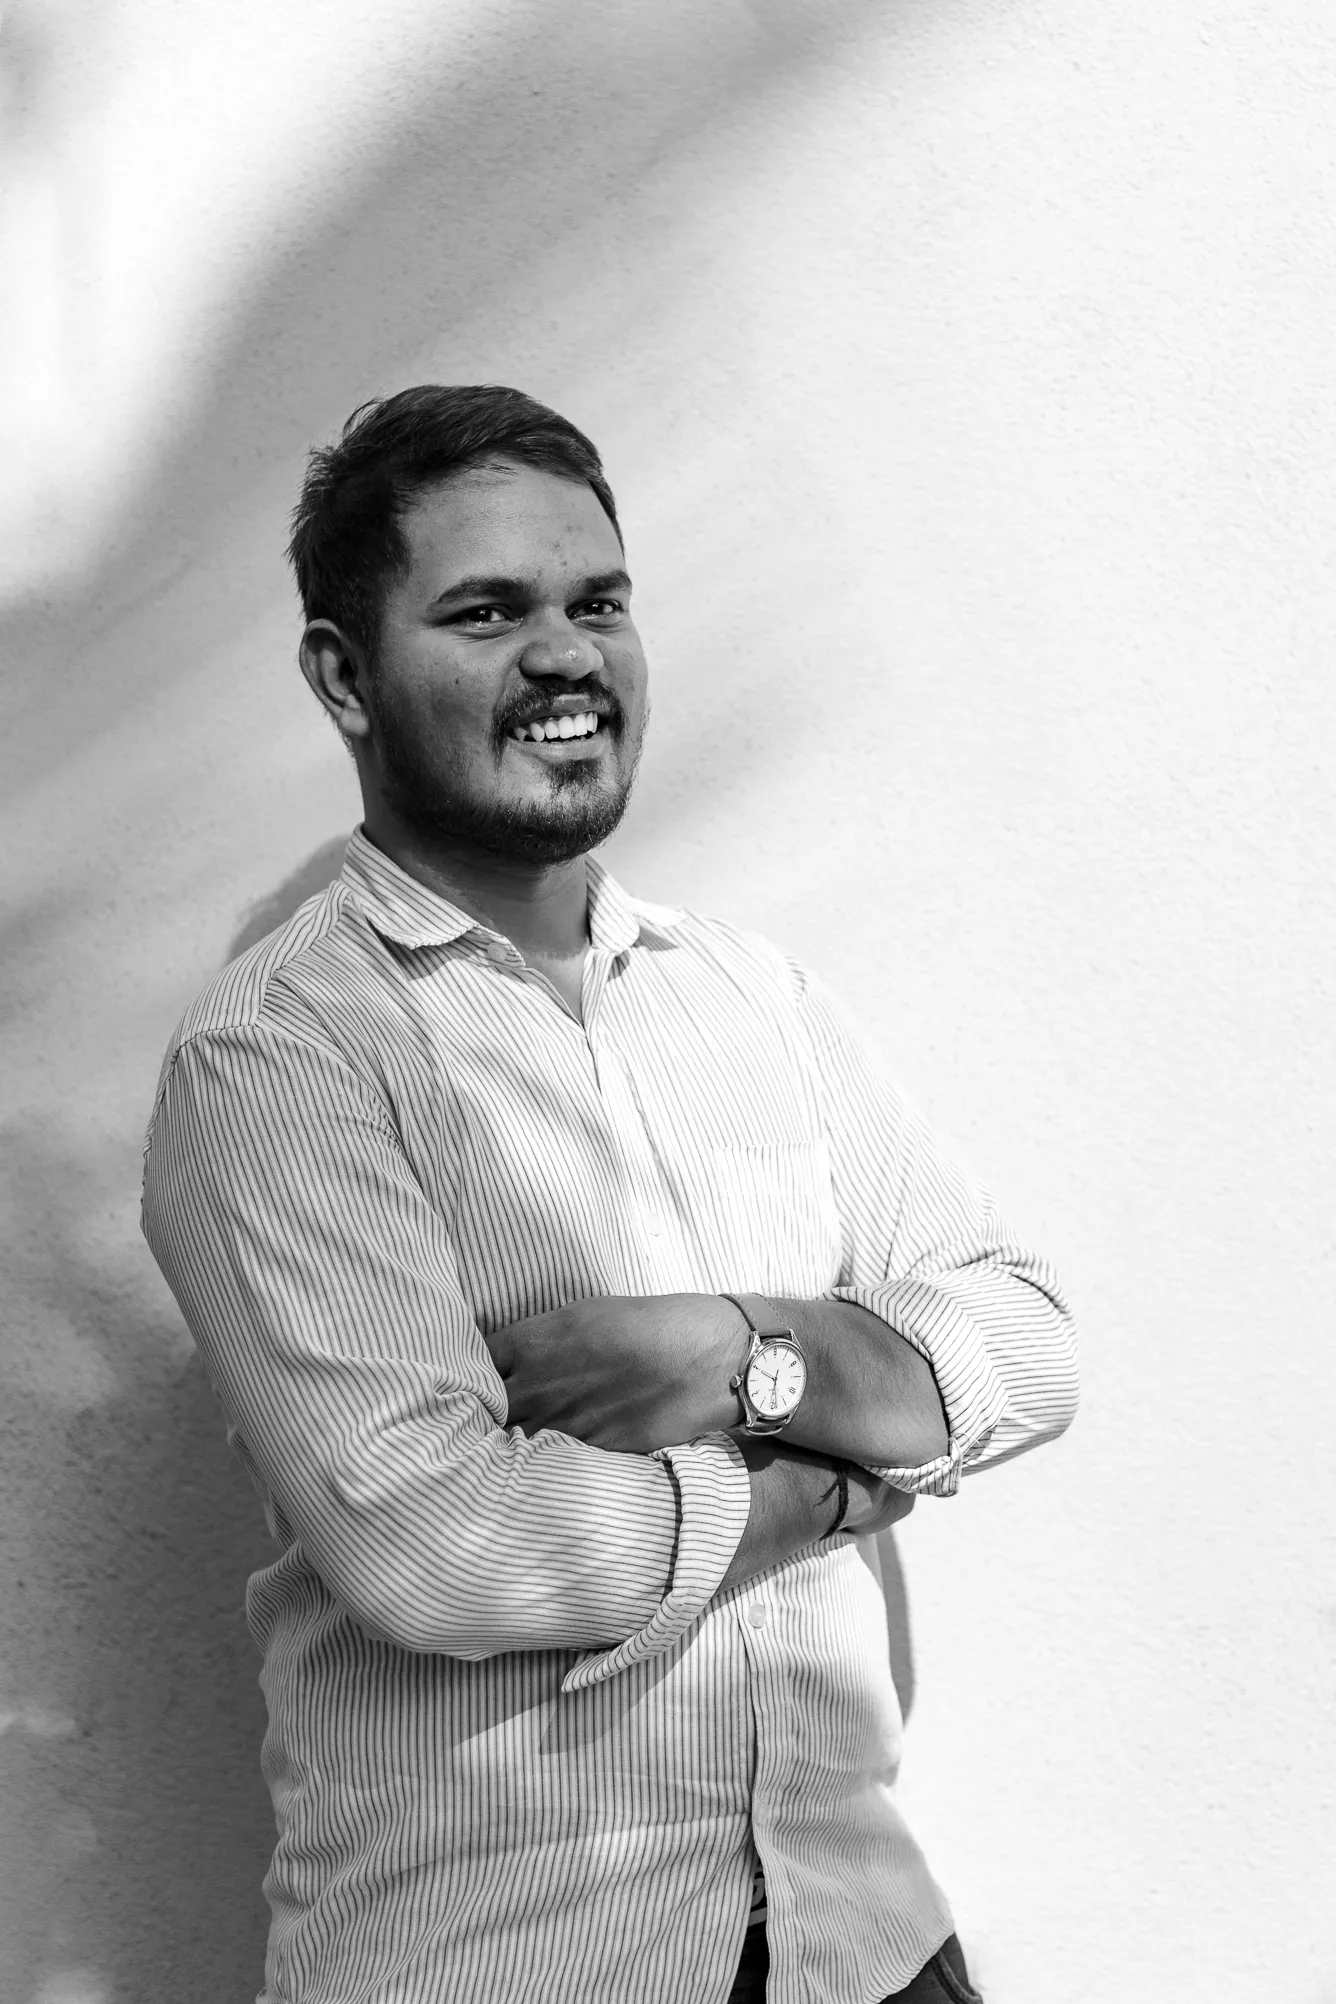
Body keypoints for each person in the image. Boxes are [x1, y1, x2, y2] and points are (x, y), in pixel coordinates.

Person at [141, 384, 1078, 2004]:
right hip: (516, 1964)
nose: (566, 657)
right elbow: (438, 1547)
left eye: (599, 604)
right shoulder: (280, 1056)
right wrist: (821, 1483)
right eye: (488, 612)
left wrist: (736, 1351)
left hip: (862, 1943)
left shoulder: (753, 999)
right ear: (345, 677)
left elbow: (1031, 1338)